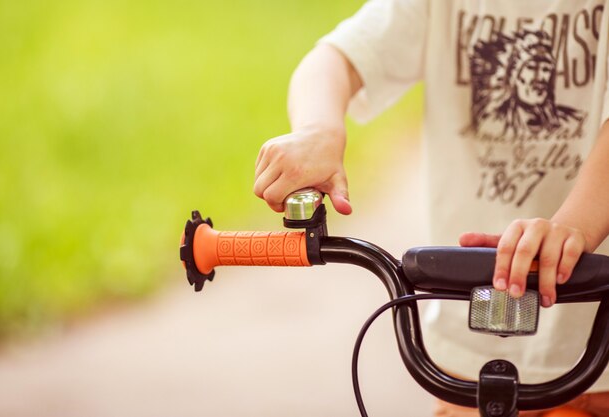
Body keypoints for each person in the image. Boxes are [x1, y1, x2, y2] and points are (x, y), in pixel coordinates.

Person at [253, 1, 609, 416]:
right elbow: (337, 58)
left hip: (597, 349)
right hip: (465, 355)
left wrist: (573, 227)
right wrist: (319, 130)